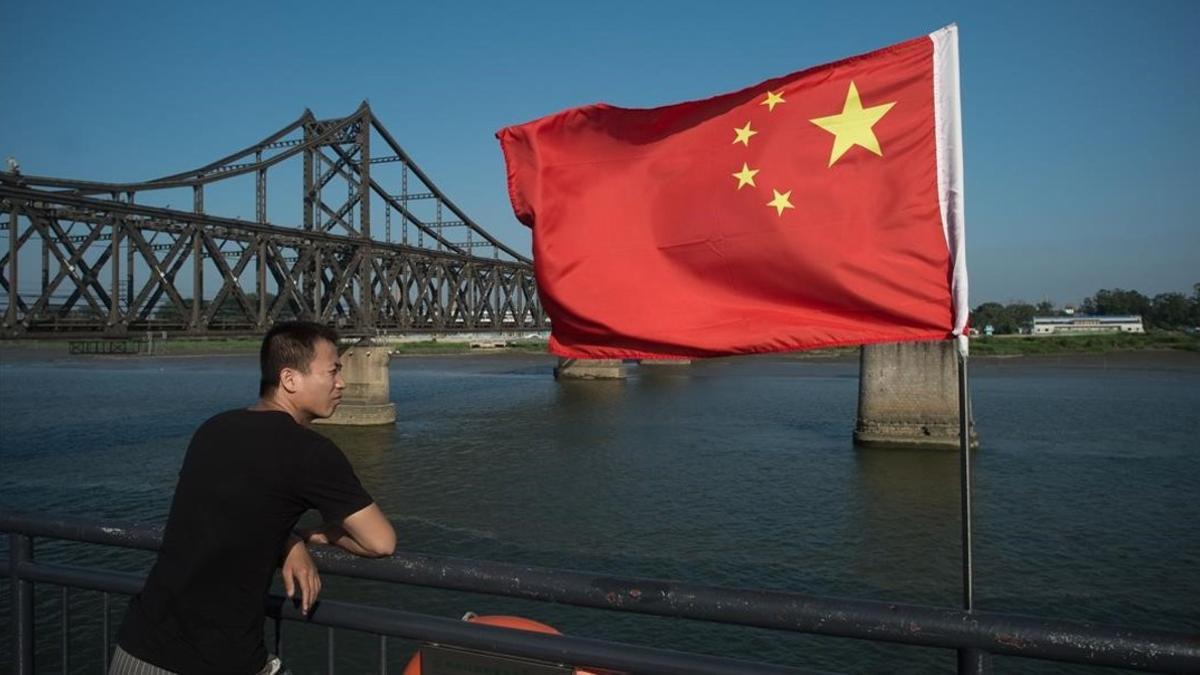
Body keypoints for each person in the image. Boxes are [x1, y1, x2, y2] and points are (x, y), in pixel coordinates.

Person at [111, 321, 396, 674]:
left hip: (136, 648)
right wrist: (314, 535)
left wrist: (287, 540)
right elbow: (381, 542)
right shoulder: (310, 452)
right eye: (333, 371)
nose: (342, 382)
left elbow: (237, 512)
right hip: (214, 661)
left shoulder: (213, 429)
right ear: (290, 379)